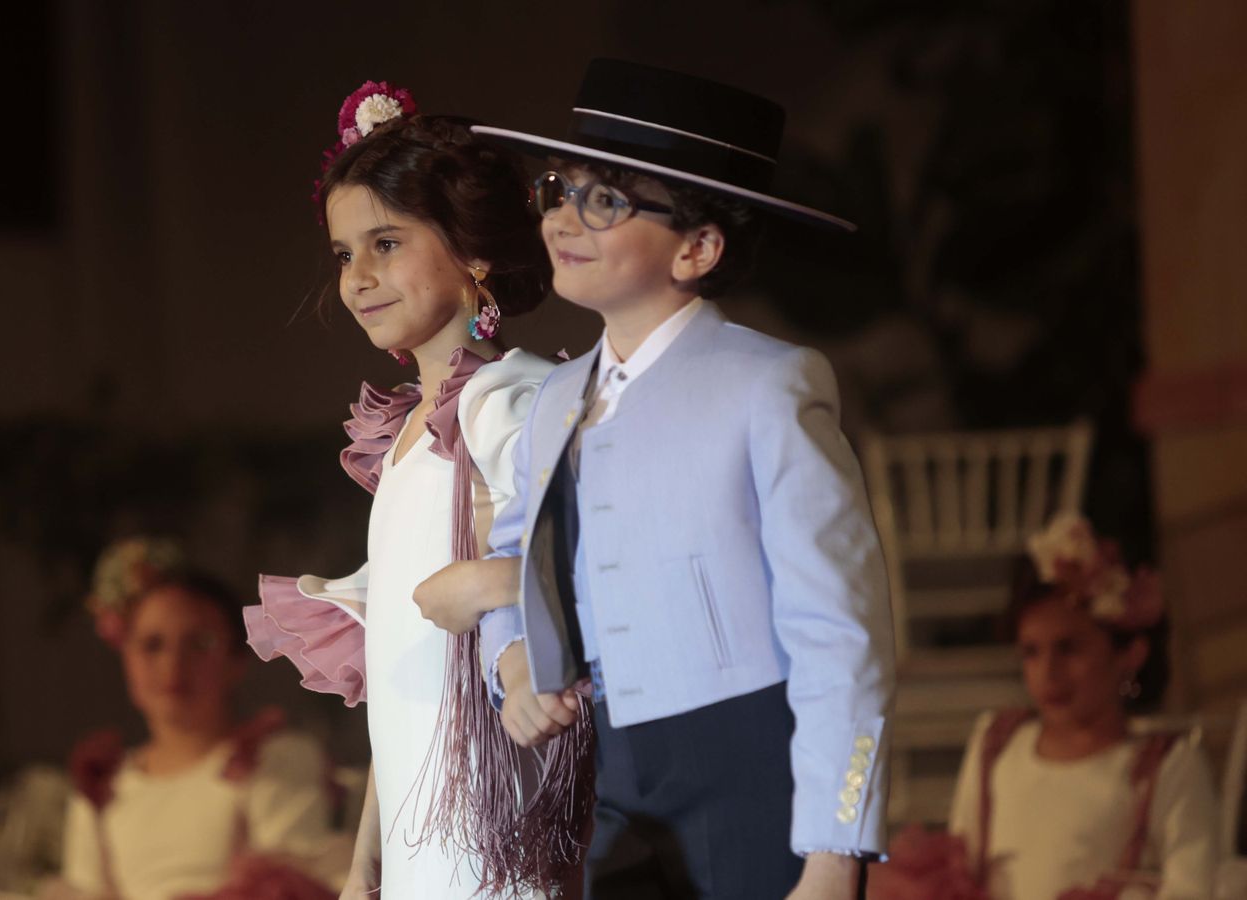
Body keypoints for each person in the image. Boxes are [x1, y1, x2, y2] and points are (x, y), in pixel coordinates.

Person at [415, 59, 896, 899]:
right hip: (618, 764)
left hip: (750, 762)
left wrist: (833, 848)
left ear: (697, 247)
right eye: (559, 189)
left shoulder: (767, 384)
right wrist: (516, 658)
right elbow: (518, 551)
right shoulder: (557, 397)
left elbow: (841, 631)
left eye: (605, 200)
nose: (564, 217)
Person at [243, 81, 582, 898]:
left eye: (386, 243)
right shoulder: (403, 432)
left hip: (495, 828)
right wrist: (368, 861)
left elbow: (584, 560)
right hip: (423, 846)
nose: (358, 277)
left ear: (472, 251)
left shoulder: (508, 399)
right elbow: (401, 694)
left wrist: (494, 584)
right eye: (343, 254)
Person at [938, 513, 1218, 900]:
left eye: (1068, 649)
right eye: (1031, 653)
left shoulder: (1162, 767)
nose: (1048, 673)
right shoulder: (998, 745)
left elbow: (1191, 887)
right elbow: (959, 870)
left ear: (1129, 654)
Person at [58, 537, 346, 900]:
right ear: (126, 657)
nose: (173, 666)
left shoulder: (273, 761)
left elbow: (294, 885)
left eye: (200, 644)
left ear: (236, 659)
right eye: (152, 645)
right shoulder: (102, 788)